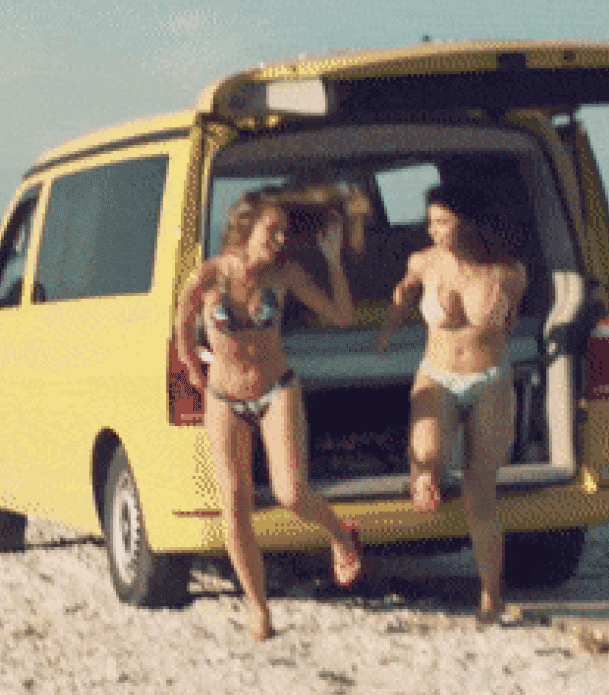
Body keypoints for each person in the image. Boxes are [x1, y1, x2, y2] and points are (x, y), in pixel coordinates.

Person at [174, 187, 366, 641]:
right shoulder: (208, 276)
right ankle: (258, 608)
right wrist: (192, 368)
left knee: (290, 492)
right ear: (245, 228)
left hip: (276, 388)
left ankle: (341, 535)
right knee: (234, 504)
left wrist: (334, 262)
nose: (280, 239)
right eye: (271, 230)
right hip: (223, 398)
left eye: (283, 231)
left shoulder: (285, 276)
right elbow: (180, 322)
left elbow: (342, 316)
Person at [375, 184, 528, 623]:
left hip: (490, 379)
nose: (433, 230)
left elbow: (509, 325)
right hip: (437, 375)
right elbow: (404, 294)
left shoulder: (508, 273)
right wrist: (393, 317)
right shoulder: (423, 263)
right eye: (431, 222)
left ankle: (490, 596)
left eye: (443, 222)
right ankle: (423, 475)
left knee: (481, 493)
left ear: (469, 222)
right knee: (428, 457)